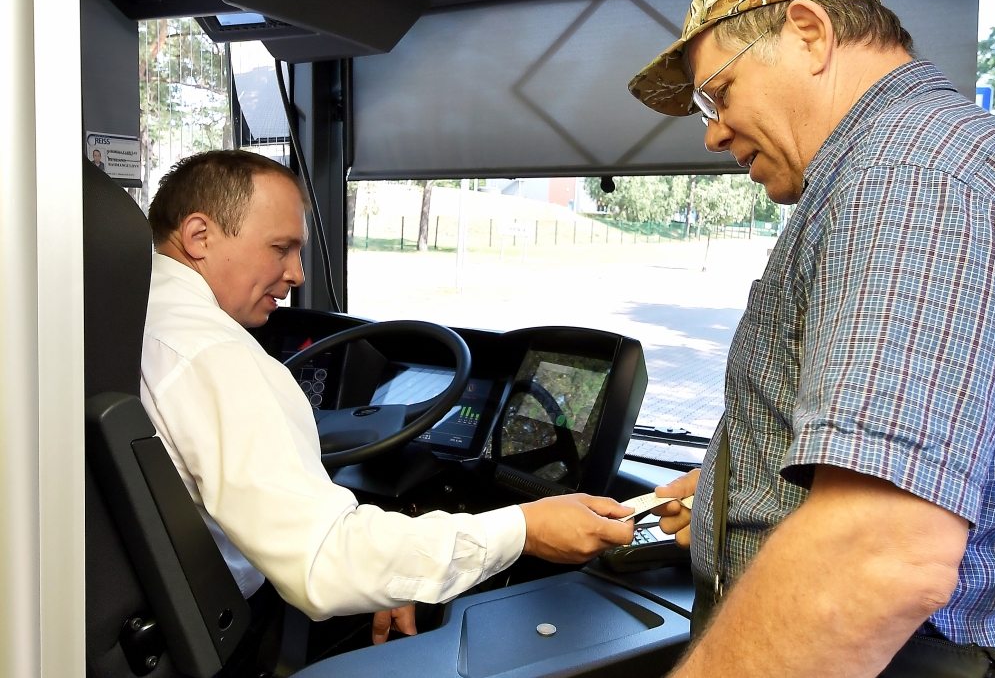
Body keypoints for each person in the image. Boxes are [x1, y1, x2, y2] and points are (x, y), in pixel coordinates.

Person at [628, 0, 995, 678]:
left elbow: (878, 556)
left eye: (719, 93)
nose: (713, 133)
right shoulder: (932, 160)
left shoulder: (912, 183)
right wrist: (740, 488)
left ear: (808, 33)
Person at [140, 150, 634, 665]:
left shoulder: (130, 313)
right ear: (199, 236)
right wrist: (525, 528)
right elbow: (326, 559)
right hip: (225, 637)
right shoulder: (217, 355)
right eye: (280, 248)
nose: (298, 274)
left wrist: (394, 571)